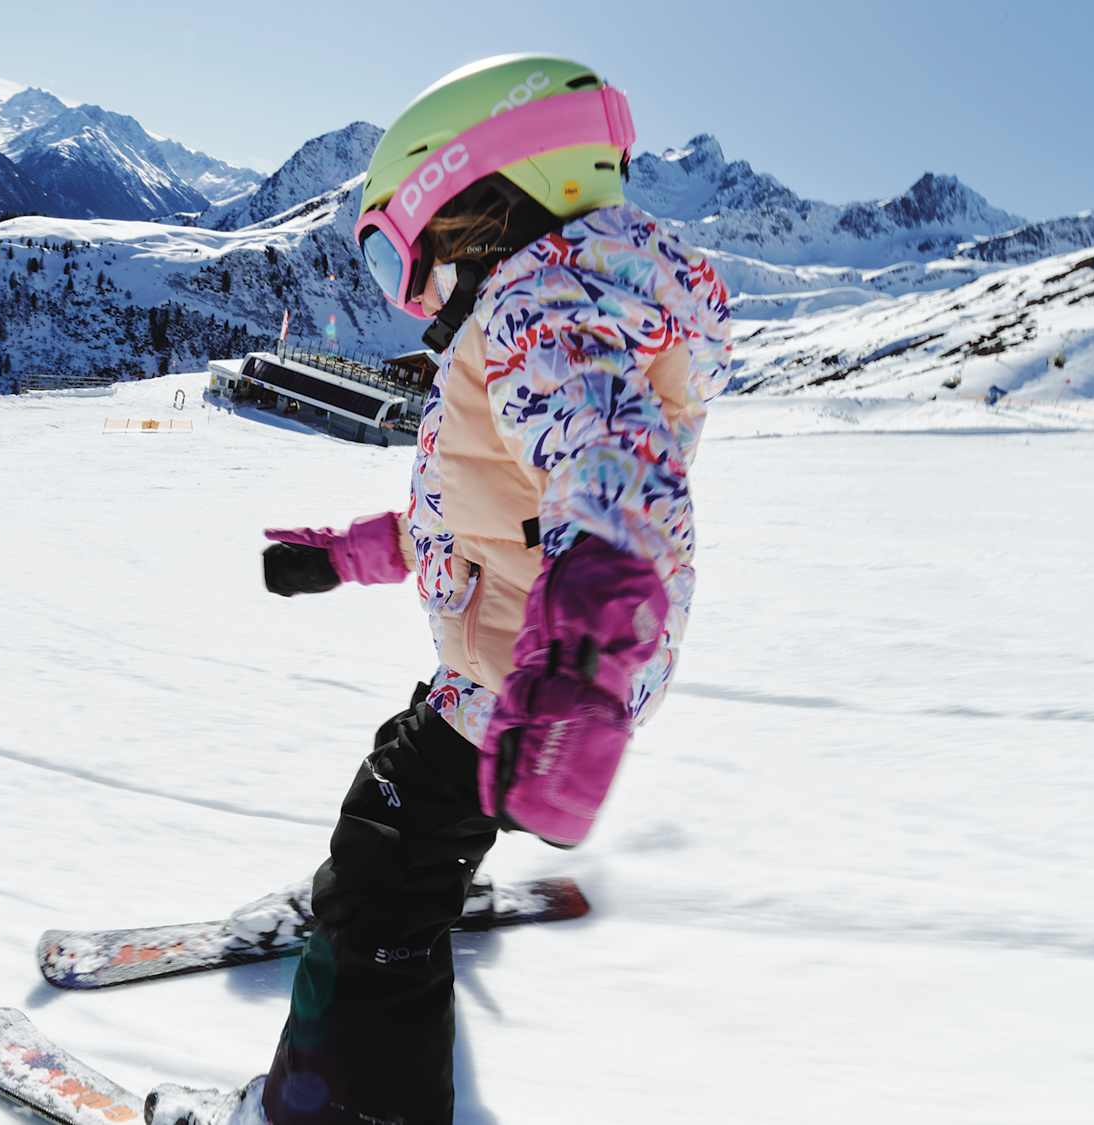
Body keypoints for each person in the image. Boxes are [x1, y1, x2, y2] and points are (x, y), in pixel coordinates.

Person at [145, 55, 732, 1125]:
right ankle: (425, 872)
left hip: (537, 678)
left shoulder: (533, 314)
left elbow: (617, 481)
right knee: (405, 766)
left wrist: (578, 671)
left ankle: (336, 1102)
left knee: (378, 866)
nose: (405, 297)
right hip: (520, 662)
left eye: (391, 257)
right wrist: (345, 554)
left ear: (473, 202)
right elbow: (480, 514)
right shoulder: (583, 301)